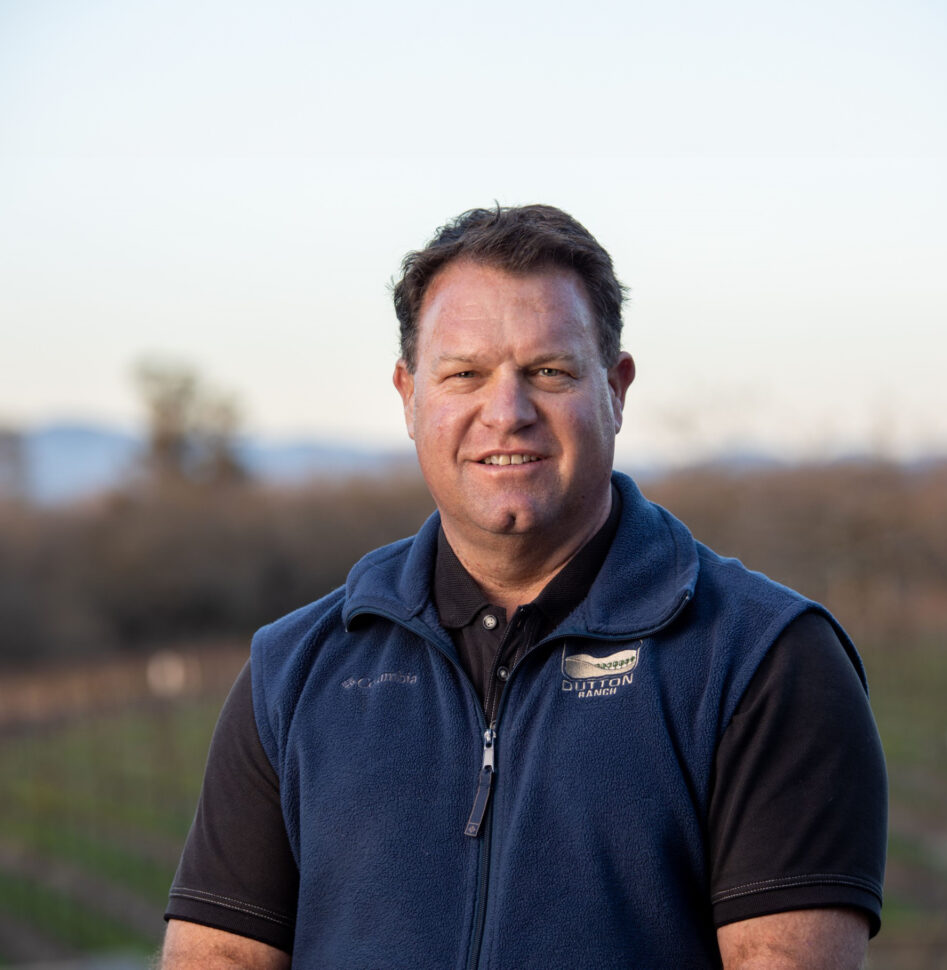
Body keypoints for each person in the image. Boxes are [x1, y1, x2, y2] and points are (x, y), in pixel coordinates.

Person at [161, 204, 887, 969]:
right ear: (410, 395)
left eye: (548, 372)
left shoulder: (764, 660)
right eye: (464, 374)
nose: (505, 413)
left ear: (616, 388)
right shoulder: (294, 671)